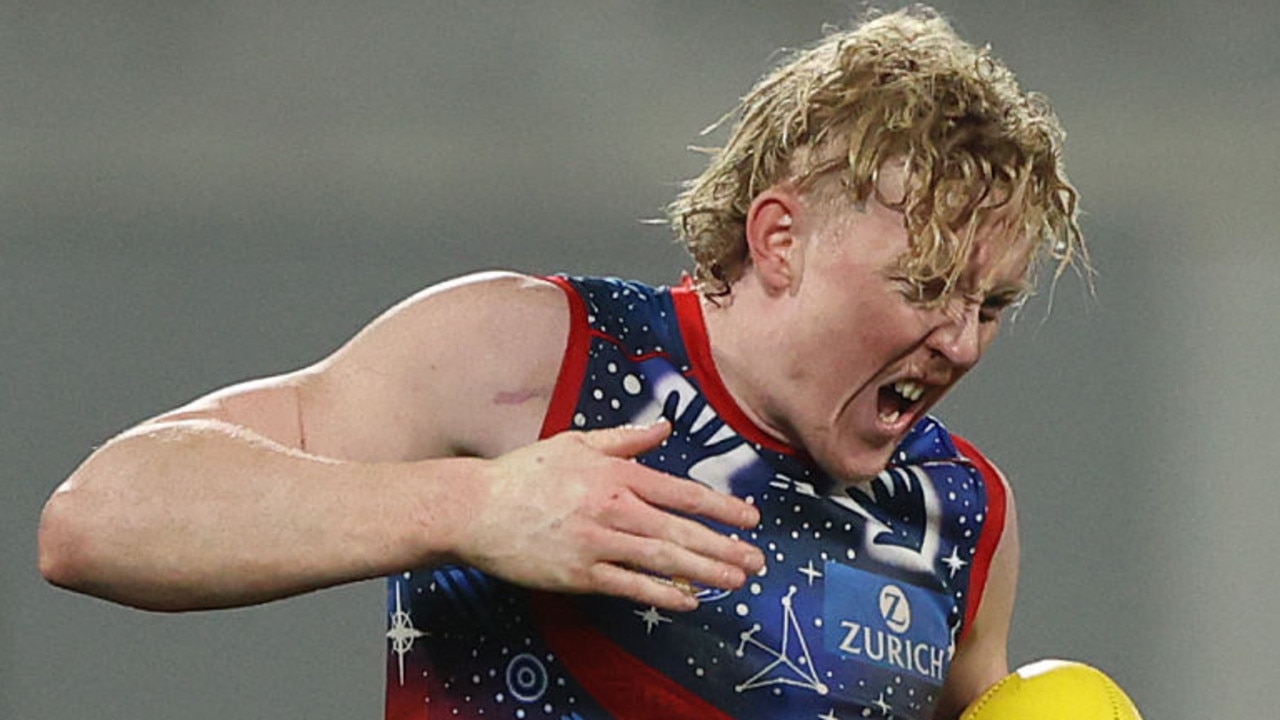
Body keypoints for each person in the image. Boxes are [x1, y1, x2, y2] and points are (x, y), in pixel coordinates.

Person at [38, 6, 1084, 720]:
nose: (960, 340)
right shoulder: (538, 355)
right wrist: (467, 508)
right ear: (779, 240)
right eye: (925, 287)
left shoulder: (960, 512)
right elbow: (98, 521)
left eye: (991, 304)